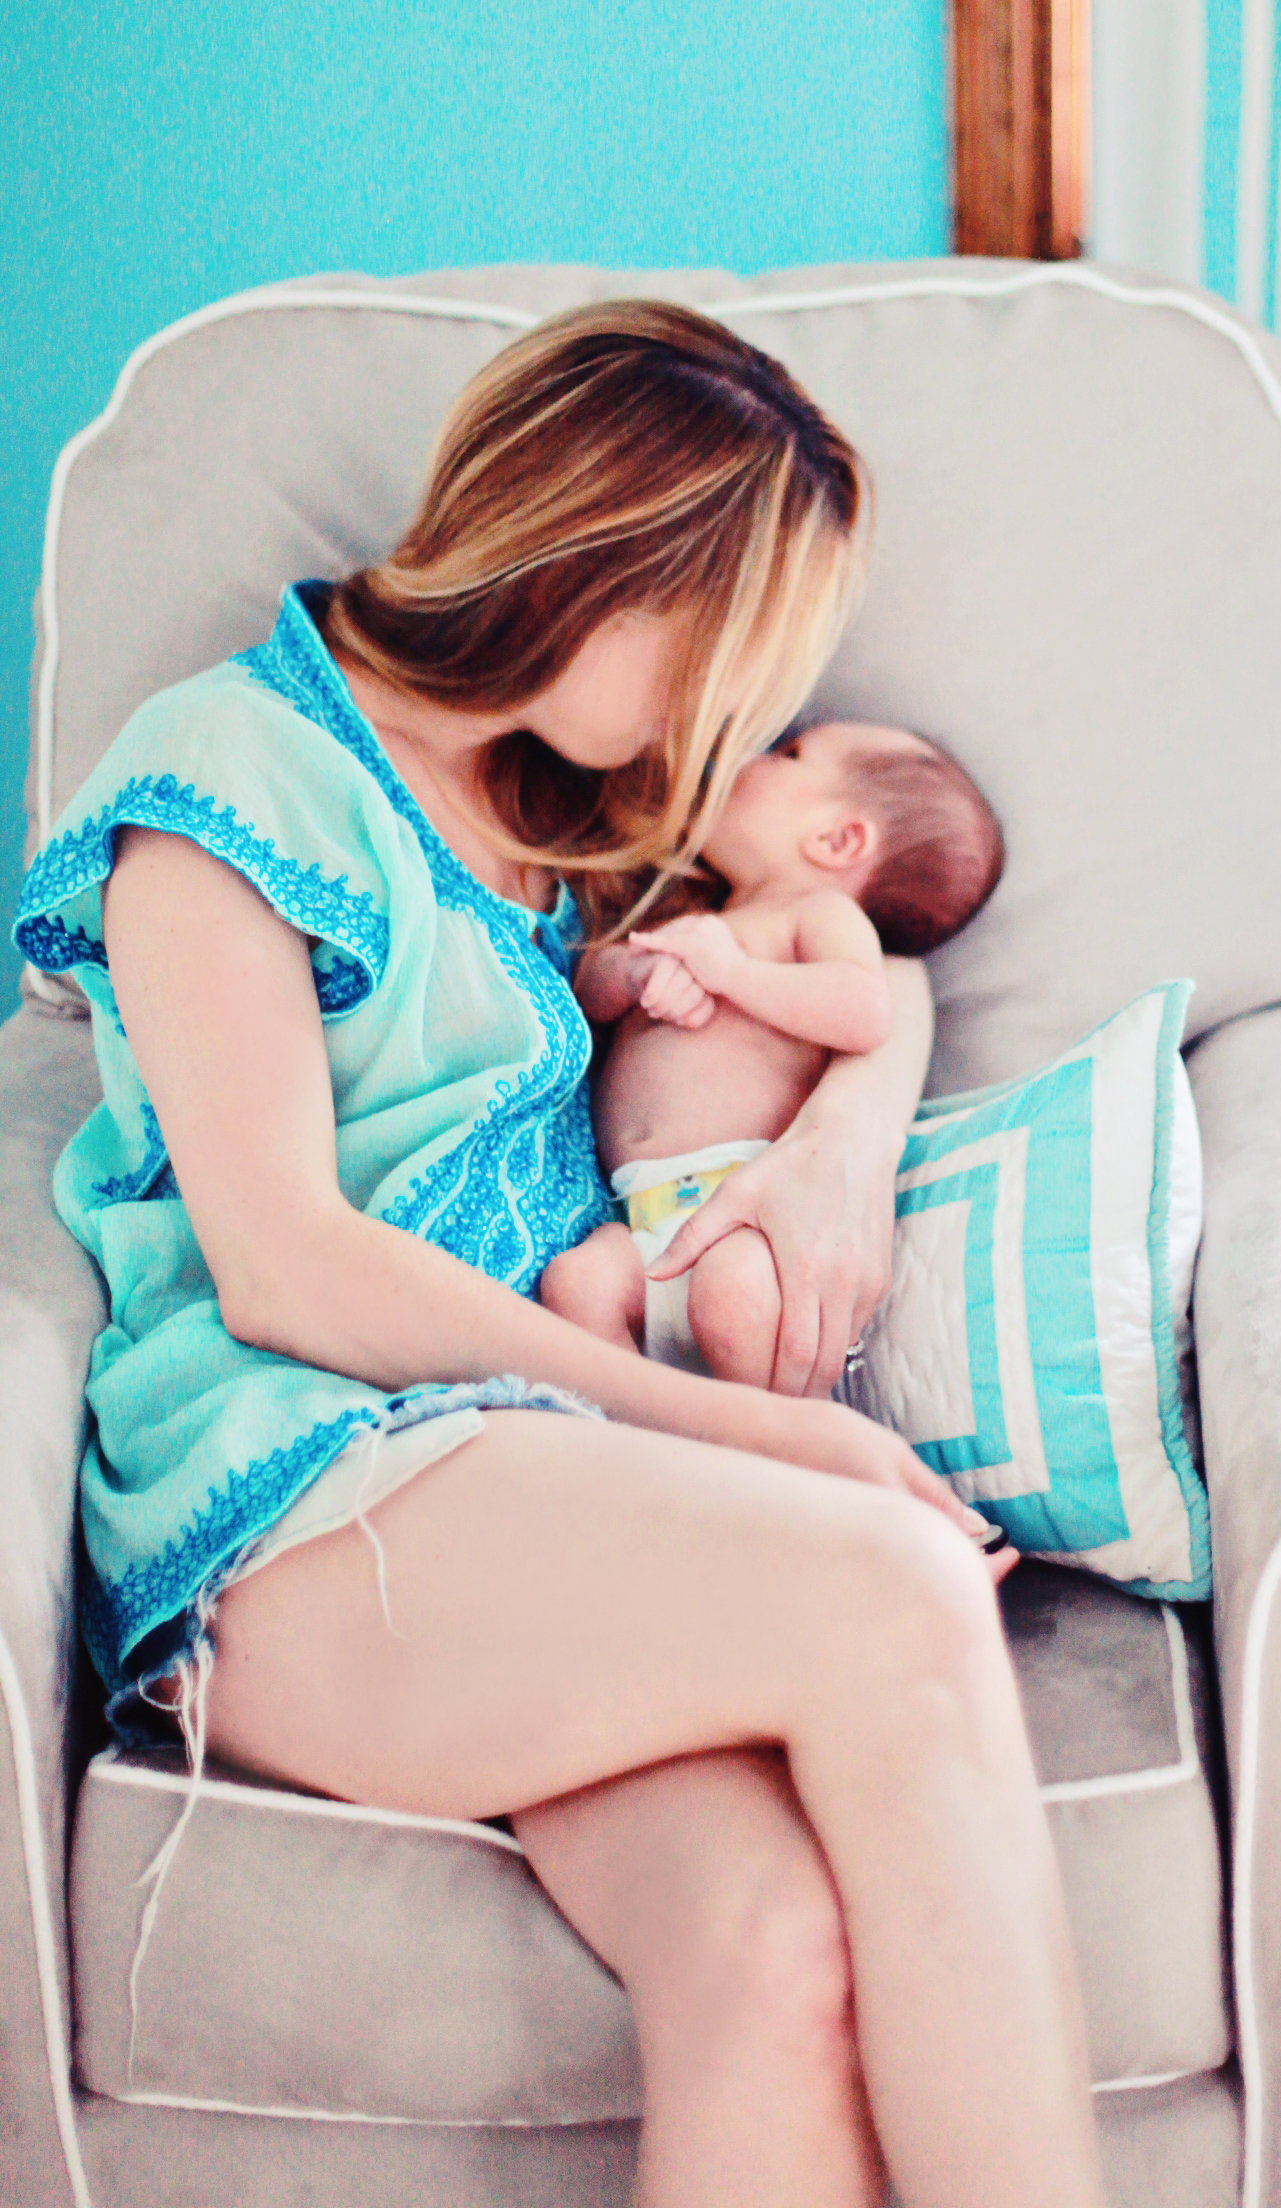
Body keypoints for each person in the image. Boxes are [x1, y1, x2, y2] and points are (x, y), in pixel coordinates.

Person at [15, 301, 1105, 2208]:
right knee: (903, 1593)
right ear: (599, 567)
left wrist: (843, 1153)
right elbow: (284, 1265)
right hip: (301, 1485)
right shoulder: (226, 773)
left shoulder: (574, 815)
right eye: (721, 666)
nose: (722, 734)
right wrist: (755, 1430)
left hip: (537, 1489)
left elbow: (869, 965)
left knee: (774, 1956)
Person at [540, 718, 1004, 1386]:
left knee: (732, 1300)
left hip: (748, 1220)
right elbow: (585, 994)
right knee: (576, 1281)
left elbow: (865, 1011)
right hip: (641, 1223)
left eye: (790, 753)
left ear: (838, 840)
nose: (751, 756)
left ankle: (770, 1435)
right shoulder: (698, 916)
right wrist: (636, 975)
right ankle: (637, 1420)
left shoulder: (818, 918)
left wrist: (734, 975)